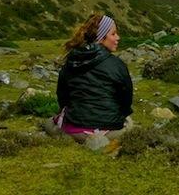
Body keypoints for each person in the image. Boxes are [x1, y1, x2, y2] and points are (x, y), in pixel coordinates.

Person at [45, 13, 133, 142]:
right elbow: (126, 99)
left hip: (75, 130)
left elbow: (63, 96)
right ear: (101, 37)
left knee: (49, 123)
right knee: (129, 123)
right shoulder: (117, 65)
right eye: (113, 34)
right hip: (109, 130)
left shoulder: (71, 61)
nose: (118, 37)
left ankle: (69, 135)